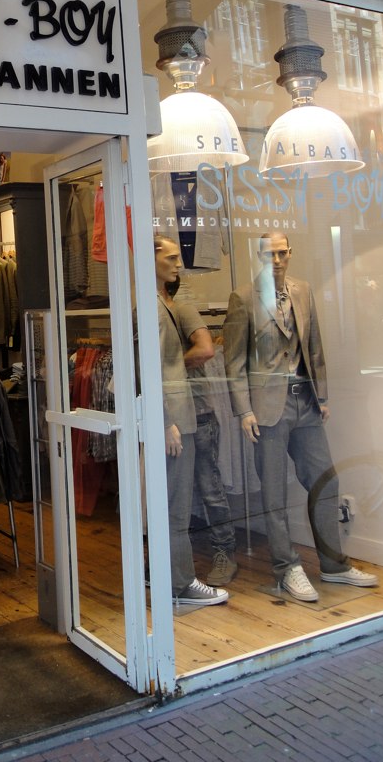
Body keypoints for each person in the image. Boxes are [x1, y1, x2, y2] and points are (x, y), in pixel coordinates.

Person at [222, 232, 377, 601]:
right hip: (267, 409)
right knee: (274, 492)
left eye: (281, 253)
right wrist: (244, 410)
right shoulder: (242, 298)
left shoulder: (303, 290)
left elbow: (315, 346)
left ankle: (333, 565)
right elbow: (234, 361)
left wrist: (321, 395)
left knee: (325, 482)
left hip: (305, 402)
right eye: (269, 254)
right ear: (258, 256)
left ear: (290, 253)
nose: (276, 260)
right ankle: (286, 567)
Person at [153, 236, 229, 606]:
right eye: (170, 258)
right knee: (176, 502)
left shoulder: (168, 305)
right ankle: (180, 583)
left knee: (181, 498)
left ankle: (174, 575)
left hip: (184, 412)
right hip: (175, 416)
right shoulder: (151, 307)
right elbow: (147, 368)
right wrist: (166, 418)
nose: (178, 264)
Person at [169, 278, 238, 586]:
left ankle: (225, 551)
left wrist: (169, 367)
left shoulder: (182, 310)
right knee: (172, 490)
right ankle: (170, 557)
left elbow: (207, 350)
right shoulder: (155, 314)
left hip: (198, 413)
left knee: (209, 485)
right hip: (170, 415)